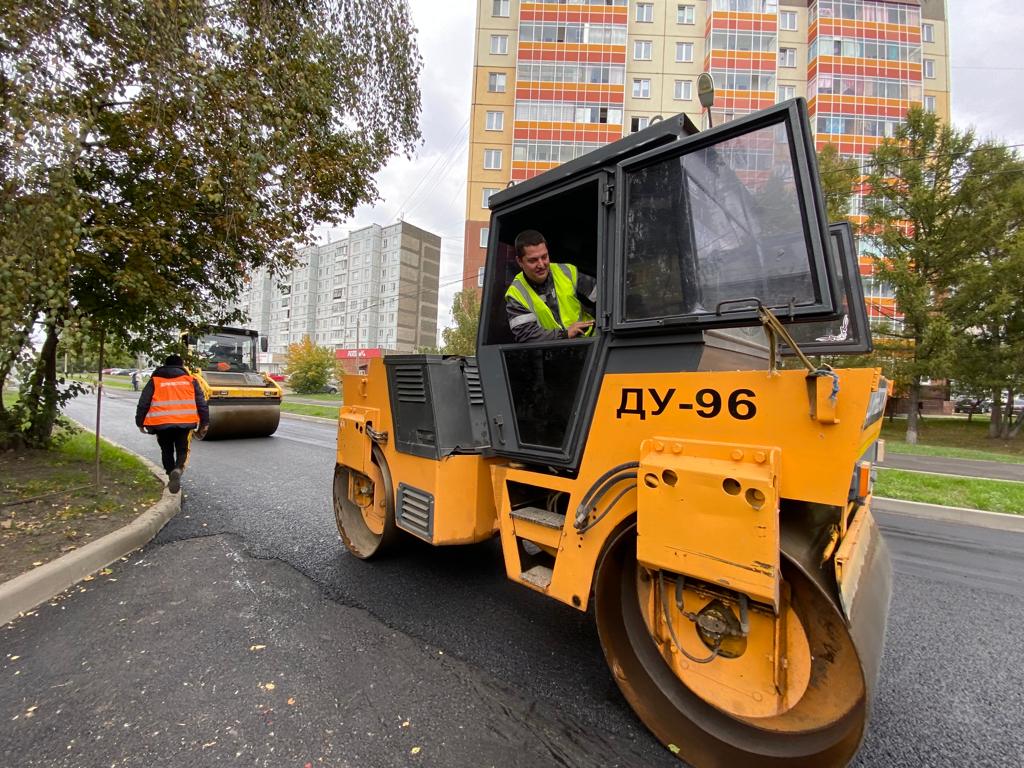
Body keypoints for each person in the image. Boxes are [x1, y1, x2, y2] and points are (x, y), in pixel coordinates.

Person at [135, 354, 210, 494]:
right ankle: (178, 469)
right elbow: (201, 403)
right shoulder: (190, 380)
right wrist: (205, 423)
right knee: (182, 449)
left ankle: (171, 473)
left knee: (166, 450)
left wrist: (140, 422)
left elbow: (143, 403)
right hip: (184, 423)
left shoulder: (155, 381)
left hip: (161, 424)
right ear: (181, 366)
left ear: (165, 365)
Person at [505, 229, 596, 342]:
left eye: (544, 257)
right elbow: (526, 334)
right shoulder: (516, 294)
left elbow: (602, 297)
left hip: (592, 343)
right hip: (553, 354)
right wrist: (564, 334)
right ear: (520, 262)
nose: (541, 264)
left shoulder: (567, 271)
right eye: (533, 260)